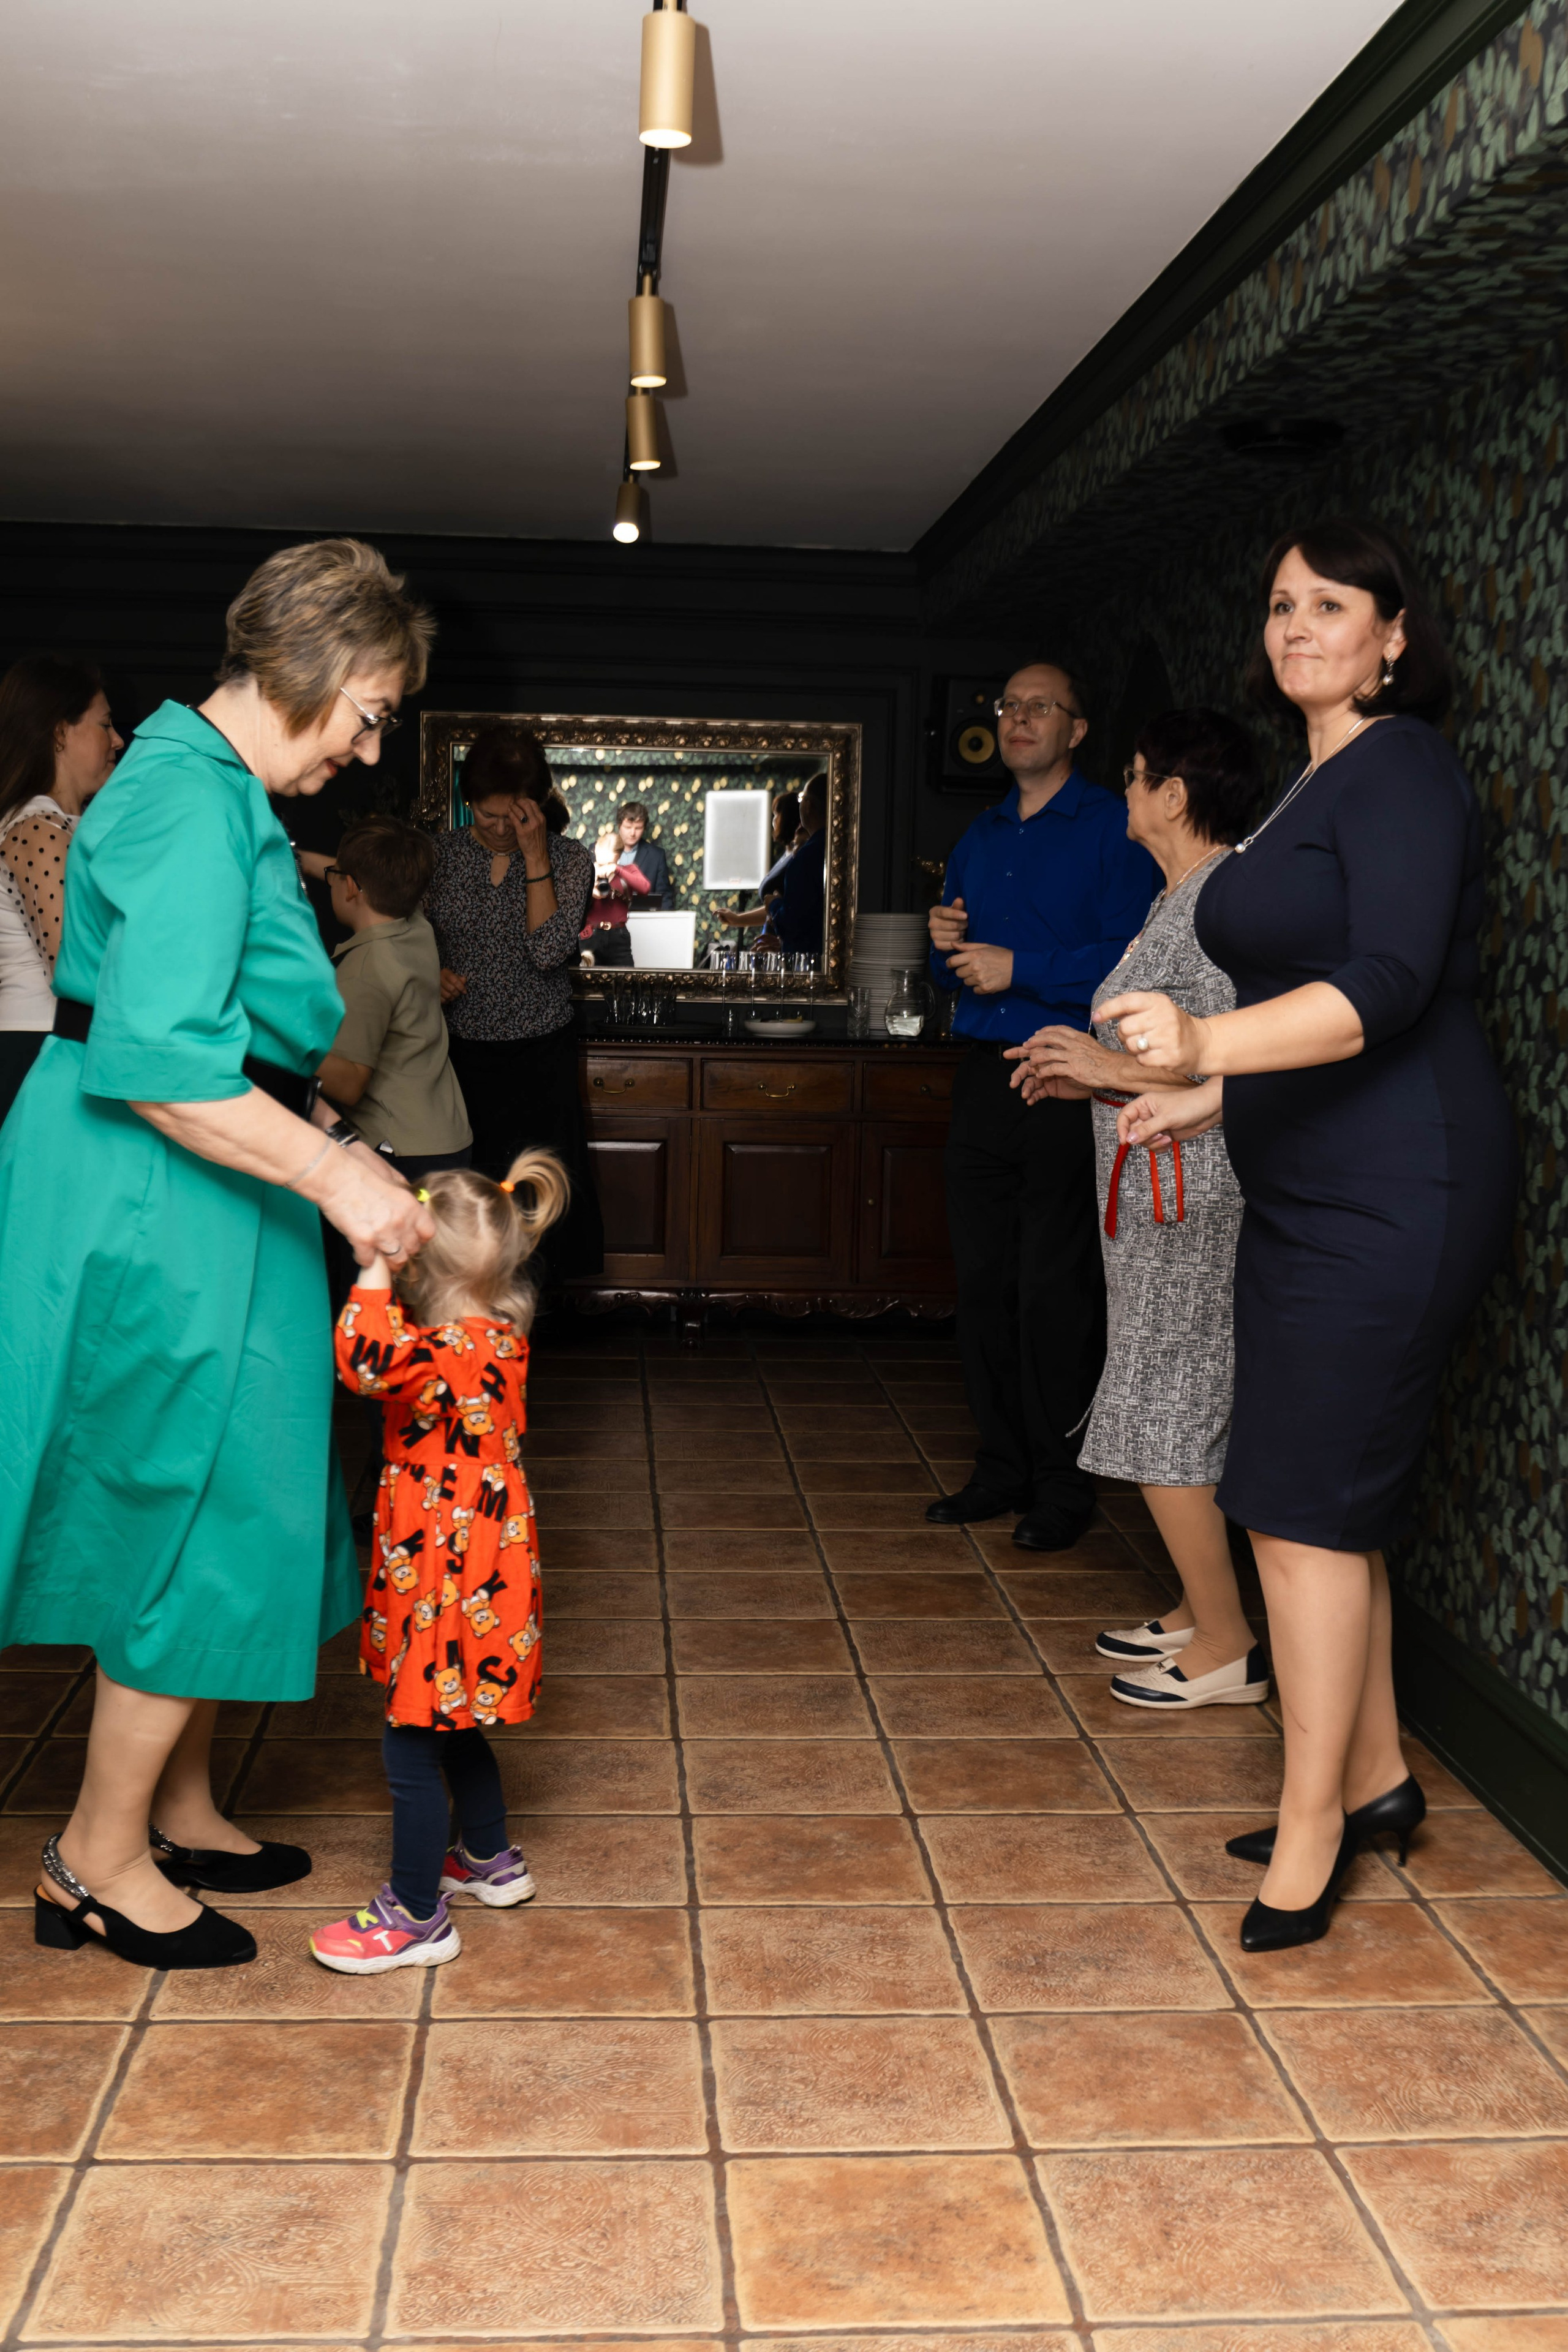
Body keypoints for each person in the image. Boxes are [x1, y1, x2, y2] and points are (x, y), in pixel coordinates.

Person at [0, 537, 436, 1972]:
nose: (371, 750)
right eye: (372, 712)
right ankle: (95, 1855)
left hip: (191, 1175)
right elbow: (164, 1060)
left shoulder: (206, 782)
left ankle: (174, 1799)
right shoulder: (192, 798)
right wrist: (333, 1173)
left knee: (229, 1477)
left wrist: (327, 1135)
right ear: (309, 669)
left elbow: (225, 1032)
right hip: (152, 1183)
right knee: (186, 1495)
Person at [1103, 518, 1515, 1951]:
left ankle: (1312, 1827)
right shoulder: (1309, 782)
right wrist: (1216, 1096)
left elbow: (1390, 979)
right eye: (1275, 603)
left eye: (1325, 603)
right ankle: (1377, 1774)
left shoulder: (1400, 763)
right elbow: (1320, 987)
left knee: (1292, 1504)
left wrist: (1201, 1036)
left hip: (1394, 1186)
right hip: (1305, 1177)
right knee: (1314, 1501)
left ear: (1391, 632)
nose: (1292, 626)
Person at [1008, 709, 1265, 1708]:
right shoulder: (1182, 897)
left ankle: (1229, 1647)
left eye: (1134, 775)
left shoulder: (1227, 901)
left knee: (1170, 1400)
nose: (1123, 790)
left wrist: (1103, 1065)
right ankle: (1205, 1609)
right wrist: (1087, 1079)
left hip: (1194, 1191)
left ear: (1174, 792)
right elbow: (1155, 1055)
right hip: (1153, 1189)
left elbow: (1232, 1048)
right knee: (1167, 1389)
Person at [311, 1149, 565, 1974]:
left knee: (410, 1742)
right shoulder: (496, 1337)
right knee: (451, 1718)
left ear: (417, 1255)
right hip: (478, 1562)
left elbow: (360, 1359)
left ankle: (417, 1912)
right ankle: (488, 1856)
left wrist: (373, 1271)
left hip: (445, 1576)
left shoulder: (436, 1352)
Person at [926, 660, 1159, 1551]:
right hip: (986, 1072)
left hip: (1069, 1075)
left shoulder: (1113, 828)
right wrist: (948, 933)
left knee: (1054, 1288)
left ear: (1077, 729)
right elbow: (966, 939)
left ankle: (1063, 1488)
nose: (1018, 719)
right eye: (1008, 706)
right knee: (982, 1282)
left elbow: (1132, 959)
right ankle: (1000, 1469)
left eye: (1040, 707)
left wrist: (1019, 968)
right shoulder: (979, 835)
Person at [426, 726, 603, 1278]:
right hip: (459, 1056)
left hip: (540, 1056)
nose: (501, 828)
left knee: (539, 1193)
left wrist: (534, 856)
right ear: (467, 803)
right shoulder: (439, 856)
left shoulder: (571, 860)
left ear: (539, 804)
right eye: (487, 816)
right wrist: (429, 973)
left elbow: (548, 951)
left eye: (515, 817)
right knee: (470, 1194)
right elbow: (403, 939)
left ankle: (538, 1318)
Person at [0, 655, 123, 1125]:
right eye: (105, 725)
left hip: (63, 1043)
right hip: (43, 1048)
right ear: (59, 733)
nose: (118, 740)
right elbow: (75, 970)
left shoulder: (63, 826)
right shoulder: (37, 827)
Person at [318, 817, 472, 1182]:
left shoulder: (364, 970)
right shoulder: (415, 926)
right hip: (446, 1134)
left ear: (352, 887)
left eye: (333, 874)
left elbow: (352, 1084)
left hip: (401, 1150)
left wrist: (283, 1043)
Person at [717, 785, 802, 933]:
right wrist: (737, 919)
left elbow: (785, 907)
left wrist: (738, 920)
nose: (774, 821)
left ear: (788, 818)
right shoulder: (787, 853)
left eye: (777, 815)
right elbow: (771, 908)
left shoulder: (797, 856)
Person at [771, 771, 827, 957]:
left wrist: (774, 904)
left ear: (809, 806)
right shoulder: (830, 847)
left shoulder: (807, 857)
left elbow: (793, 923)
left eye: (802, 797)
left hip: (807, 962)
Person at [596, 799, 674, 908]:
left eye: (638, 828)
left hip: (645, 919)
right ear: (619, 826)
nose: (633, 833)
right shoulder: (599, 849)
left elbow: (665, 898)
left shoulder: (657, 856)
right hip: (606, 916)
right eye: (628, 827)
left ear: (644, 828)